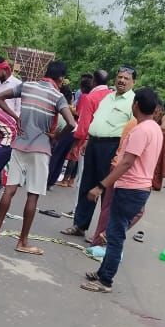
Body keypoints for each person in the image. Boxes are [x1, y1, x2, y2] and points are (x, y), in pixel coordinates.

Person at [0, 60, 76, 255]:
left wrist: (16, 117)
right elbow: (72, 123)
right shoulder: (58, 97)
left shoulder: (27, 86)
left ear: (46, 72)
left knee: (9, 189)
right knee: (32, 195)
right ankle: (22, 242)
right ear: (61, 79)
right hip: (40, 149)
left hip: (19, 144)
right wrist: (56, 137)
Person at [80, 88, 162, 293]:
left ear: (136, 105)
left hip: (130, 188)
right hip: (140, 187)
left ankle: (105, 280)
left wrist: (101, 186)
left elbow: (126, 163)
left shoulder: (141, 130)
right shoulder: (154, 128)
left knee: (115, 236)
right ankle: (102, 271)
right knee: (114, 232)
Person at [61, 66, 135, 237]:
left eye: (126, 78)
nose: (122, 80)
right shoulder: (108, 96)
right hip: (94, 143)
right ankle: (80, 225)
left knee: (106, 189)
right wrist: (87, 140)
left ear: (133, 82)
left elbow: (132, 130)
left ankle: (102, 232)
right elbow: (97, 119)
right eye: (120, 77)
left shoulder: (132, 101)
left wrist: (120, 152)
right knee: (87, 184)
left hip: (112, 146)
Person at [57, 75, 96, 187]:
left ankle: (65, 179)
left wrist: (69, 108)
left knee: (72, 154)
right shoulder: (91, 97)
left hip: (79, 127)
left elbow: (79, 112)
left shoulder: (84, 97)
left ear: (82, 87)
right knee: (77, 154)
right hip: (87, 128)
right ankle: (71, 180)